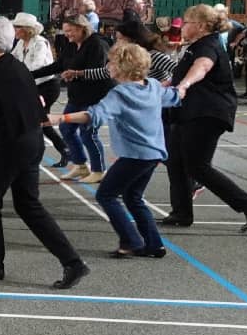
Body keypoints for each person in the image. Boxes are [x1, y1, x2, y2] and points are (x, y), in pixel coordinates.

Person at [0, 17, 90, 289]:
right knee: (28, 205)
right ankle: (73, 262)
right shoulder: (13, 66)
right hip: (29, 141)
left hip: (11, 145)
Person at [49, 43, 180, 257]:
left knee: (106, 195)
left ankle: (131, 241)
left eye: (110, 62)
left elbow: (94, 115)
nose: (108, 66)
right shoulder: (153, 86)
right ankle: (154, 245)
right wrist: (181, 87)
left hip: (134, 156)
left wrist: (60, 118)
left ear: (120, 67)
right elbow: (174, 97)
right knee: (133, 197)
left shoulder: (119, 94)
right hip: (153, 154)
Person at [160, 4, 247, 232]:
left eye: (186, 22)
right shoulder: (194, 46)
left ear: (200, 26)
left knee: (198, 167)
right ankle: (181, 212)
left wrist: (184, 84)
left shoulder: (208, 46)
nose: (182, 26)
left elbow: (202, 68)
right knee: (175, 161)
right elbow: (179, 74)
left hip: (207, 113)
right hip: (188, 113)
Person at [56, 15, 112, 183]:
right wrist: (31, 74)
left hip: (94, 96)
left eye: (70, 31)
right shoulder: (71, 45)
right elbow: (59, 65)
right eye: (65, 31)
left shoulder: (97, 44)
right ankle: (80, 165)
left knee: (88, 133)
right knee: (66, 128)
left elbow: (100, 72)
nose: (67, 35)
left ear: (81, 28)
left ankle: (99, 169)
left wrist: (75, 74)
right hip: (77, 96)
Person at [12, 12, 67, 165]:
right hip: (32, 86)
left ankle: (43, 152)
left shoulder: (40, 43)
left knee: (38, 120)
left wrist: (18, 72)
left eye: (17, 27)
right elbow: (13, 58)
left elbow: (36, 65)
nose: (14, 30)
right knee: (40, 121)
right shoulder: (20, 43)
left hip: (47, 87)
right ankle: (63, 149)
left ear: (26, 29)